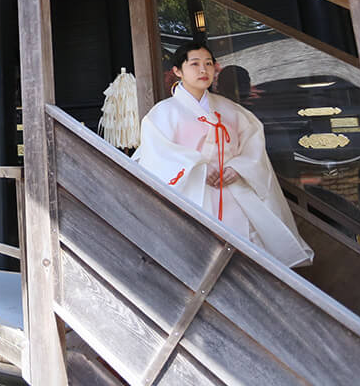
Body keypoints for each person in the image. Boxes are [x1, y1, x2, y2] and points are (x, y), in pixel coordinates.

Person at [132, 41, 313, 268]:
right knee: (198, 257)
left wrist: (238, 167)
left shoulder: (231, 109)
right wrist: (198, 167)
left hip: (234, 188)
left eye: (208, 64)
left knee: (247, 256)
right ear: (178, 71)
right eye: (195, 64)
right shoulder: (162, 114)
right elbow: (157, 154)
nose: (203, 70)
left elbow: (252, 145)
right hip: (193, 192)